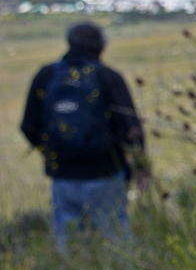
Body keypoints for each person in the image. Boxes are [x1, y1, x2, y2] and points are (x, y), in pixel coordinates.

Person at [19, 22, 151, 247]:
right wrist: (141, 168)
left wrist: (52, 152)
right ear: (100, 47)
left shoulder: (47, 75)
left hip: (63, 174)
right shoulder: (108, 77)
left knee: (67, 243)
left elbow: (29, 126)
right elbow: (131, 129)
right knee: (115, 241)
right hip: (106, 172)